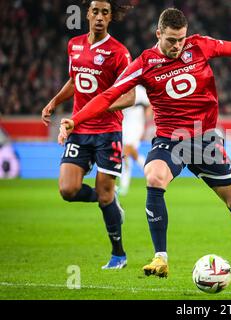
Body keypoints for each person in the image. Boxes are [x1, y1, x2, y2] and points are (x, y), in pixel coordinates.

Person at [59, 8, 231, 278]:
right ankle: (160, 257)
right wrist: (76, 119)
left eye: (181, 39)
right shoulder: (144, 63)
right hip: (170, 138)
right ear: (158, 34)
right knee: (154, 177)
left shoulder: (200, 45)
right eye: (171, 40)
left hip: (204, 138)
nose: (177, 46)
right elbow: (109, 95)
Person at [41, 0, 135, 269]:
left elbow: (129, 96)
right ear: (87, 14)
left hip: (108, 132)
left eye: (105, 12)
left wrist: (102, 105)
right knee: (67, 190)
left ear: (110, 17)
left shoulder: (119, 53)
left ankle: (118, 254)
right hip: (79, 130)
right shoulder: (74, 45)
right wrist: (55, 101)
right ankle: (109, 198)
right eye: (95, 11)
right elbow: (75, 79)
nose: (99, 17)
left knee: (105, 196)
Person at [118, 84, 151, 196]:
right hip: (124, 124)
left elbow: (148, 106)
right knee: (129, 154)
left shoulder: (140, 90)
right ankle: (149, 170)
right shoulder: (121, 88)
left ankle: (123, 186)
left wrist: (146, 125)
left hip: (137, 124)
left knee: (125, 153)